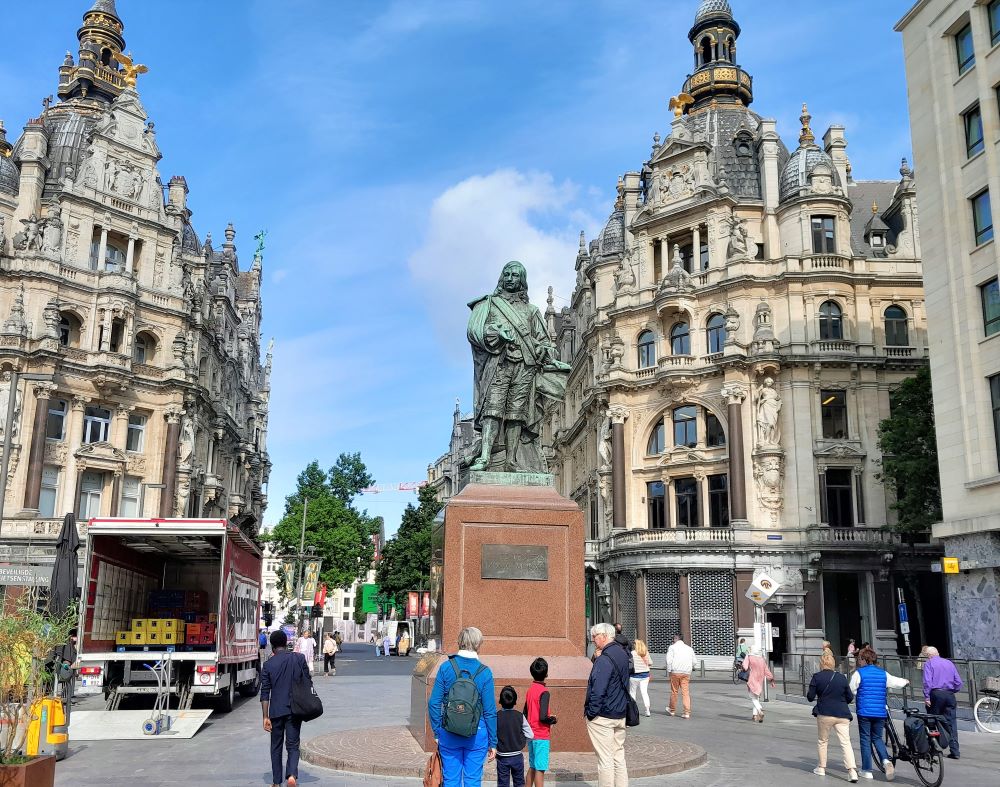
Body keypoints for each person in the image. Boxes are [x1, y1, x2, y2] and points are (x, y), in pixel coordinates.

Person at [428, 626, 498, 786]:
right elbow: (490, 712)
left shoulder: (446, 667)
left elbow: (433, 703)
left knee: (451, 780)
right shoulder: (485, 672)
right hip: (477, 734)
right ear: (478, 644)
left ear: (460, 642)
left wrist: (437, 731)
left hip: (448, 732)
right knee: (473, 780)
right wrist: (493, 742)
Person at [849, 646, 909, 781]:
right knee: (877, 738)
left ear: (864, 660)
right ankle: (886, 761)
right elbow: (896, 682)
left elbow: (851, 689)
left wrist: (859, 694)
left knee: (865, 739)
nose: (859, 662)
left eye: (860, 659)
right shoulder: (883, 673)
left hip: (864, 711)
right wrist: (905, 681)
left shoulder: (859, 673)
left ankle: (866, 770)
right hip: (880, 712)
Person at [261, 630, 308, 787]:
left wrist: (265, 717)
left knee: (276, 746)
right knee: (293, 745)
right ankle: (292, 776)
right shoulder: (299, 659)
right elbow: (307, 681)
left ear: (272, 646)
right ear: (286, 643)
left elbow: (265, 692)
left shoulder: (268, 665)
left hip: (276, 711)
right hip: (295, 709)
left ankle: (276, 782)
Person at [585, 622, 629, 787]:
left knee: (605, 759)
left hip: (603, 715)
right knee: (618, 756)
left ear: (604, 636)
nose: (594, 640)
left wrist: (591, 712)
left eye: (595, 636)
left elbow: (598, 689)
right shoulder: (623, 654)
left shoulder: (604, 659)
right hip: (620, 713)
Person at [808, 651, 859, 783]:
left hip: (824, 713)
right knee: (845, 742)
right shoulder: (841, 677)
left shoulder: (816, 677)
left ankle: (821, 768)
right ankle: (852, 771)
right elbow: (850, 697)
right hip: (842, 714)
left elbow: (810, 697)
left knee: (823, 741)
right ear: (833, 664)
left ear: (821, 663)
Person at [921, 645, 962, 760]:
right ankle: (955, 750)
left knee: (932, 720)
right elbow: (958, 682)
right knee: (951, 722)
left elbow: (927, 682)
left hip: (936, 694)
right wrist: (952, 690)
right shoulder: (949, 663)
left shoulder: (929, 664)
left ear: (929, 656)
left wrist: (927, 697)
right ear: (937, 653)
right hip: (949, 694)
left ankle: (935, 748)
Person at [525, 657, 557, 787]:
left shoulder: (530, 690)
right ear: (547, 674)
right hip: (541, 735)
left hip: (531, 734)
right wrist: (553, 719)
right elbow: (543, 717)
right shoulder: (544, 692)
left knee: (532, 766)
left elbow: (525, 713)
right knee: (540, 769)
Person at [496, 685, 533, 787]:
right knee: (519, 782)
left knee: (503, 783)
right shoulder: (519, 716)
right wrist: (521, 741)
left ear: (500, 701)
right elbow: (530, 734)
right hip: (517, 756)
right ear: (515, 701)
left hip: (502, 756)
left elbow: (492, 734)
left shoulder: (496, 716)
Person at [665, 634, 696, 719]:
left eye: (674, 639)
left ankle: (672, 710)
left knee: (674, 691)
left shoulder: (672, 647)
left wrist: (669, 670)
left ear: (676, 639)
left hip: (675, 672)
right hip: (686, 672)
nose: (673, 640)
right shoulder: (689, 648)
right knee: (685, 692)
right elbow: (694, 661)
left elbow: (669, 660)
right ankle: (686, 712)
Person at [742, 646, 775, 723]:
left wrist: (744, 666)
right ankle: (755, 715)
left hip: (752, 678)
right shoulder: (762, 659)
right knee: (756, 697)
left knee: (752, 697)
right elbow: (766, 671)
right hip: (760, 680)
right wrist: (771, 680)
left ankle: (760, 710)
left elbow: (745, 667)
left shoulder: (749, 656)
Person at [629, 640, 652, 717]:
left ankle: (633, 711)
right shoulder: (645, 653)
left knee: (632, 692)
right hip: (645, 675)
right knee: (644, 692)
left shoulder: (632, 653)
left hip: (634, 676)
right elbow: (650, 663)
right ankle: (647, 710)